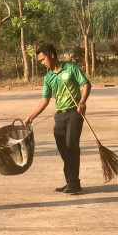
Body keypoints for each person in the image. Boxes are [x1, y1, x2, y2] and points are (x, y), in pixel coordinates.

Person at [24, 43, 91, 193]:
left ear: (52, 55)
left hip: (74, 113)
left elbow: (86, 84)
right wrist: (31, 116)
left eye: (43, 59)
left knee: (71, 147)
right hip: (60, 116)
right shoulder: (48, 77)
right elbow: (45, 100)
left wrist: (82, 102)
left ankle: (73, 183)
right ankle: (71, 181)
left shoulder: (71, 68)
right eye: (40, 61)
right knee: (63, 150)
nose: (42, 63)